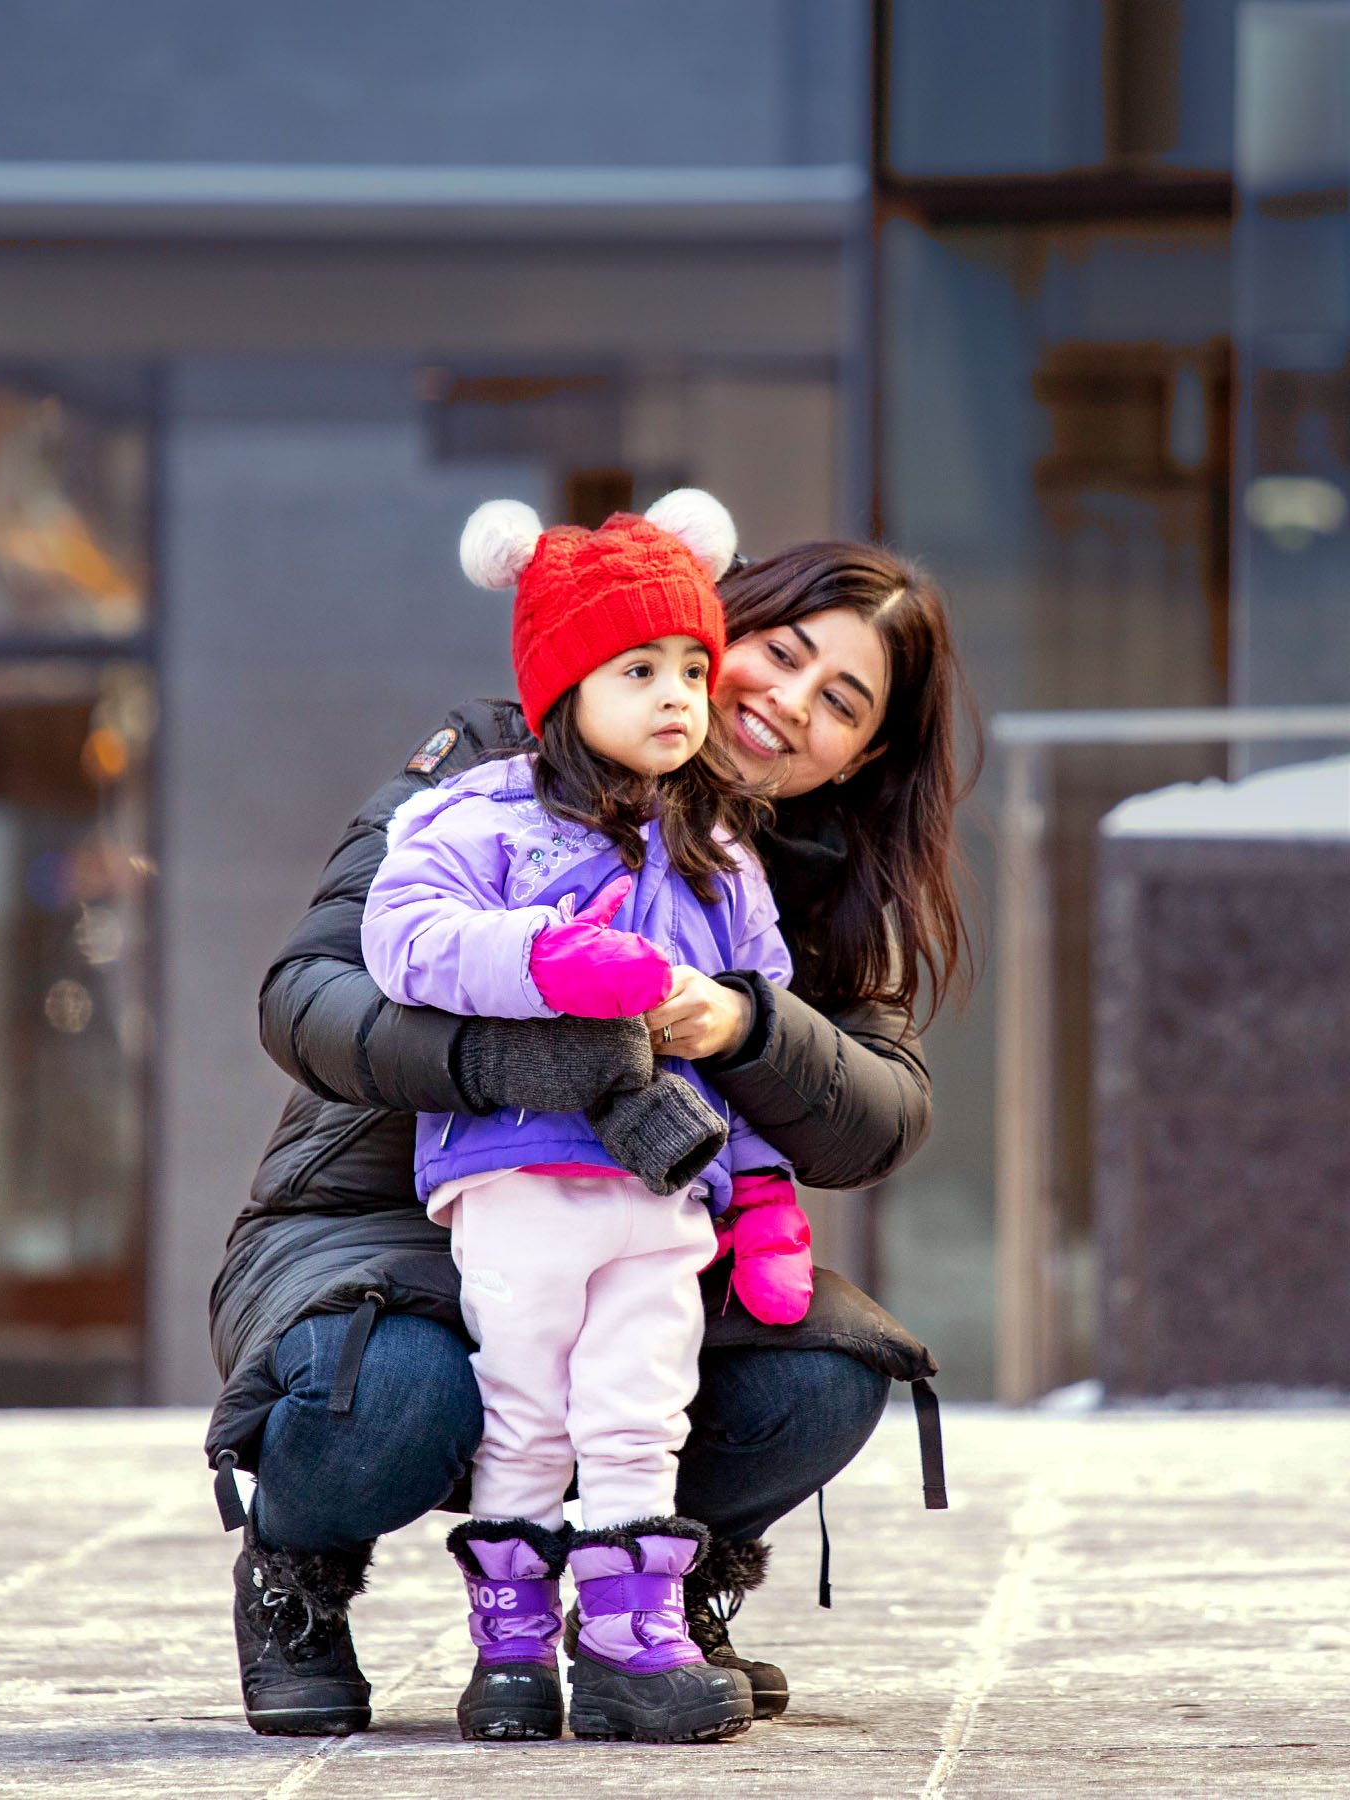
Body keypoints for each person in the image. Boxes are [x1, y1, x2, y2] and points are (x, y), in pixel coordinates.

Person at [207, 517, 977, 1739]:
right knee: (395, 1395)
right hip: (383, 1223)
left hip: (639, 1230)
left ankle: (653, 1599)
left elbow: (880, 1115)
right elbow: (311, 994)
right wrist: (518, 1051)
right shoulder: (498, 762)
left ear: (860, 757)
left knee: (828, 1371)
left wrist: (745, 1025)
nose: (784, 704)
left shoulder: (815, 880)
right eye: (776, 652)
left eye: (840, 701)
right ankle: (298, 1577)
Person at [359, 490, 814, 1744]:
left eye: (690, 667)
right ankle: (510, 1651)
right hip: (520, 1169)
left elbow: (757, 1008)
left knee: (638, 1401)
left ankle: (632, 1639)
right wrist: (552, 963)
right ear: (565, 686)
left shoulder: (718, 843)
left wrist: (765, 1190)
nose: (677, 694)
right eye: (639, 668)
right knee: (529, 1405)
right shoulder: (480, 814)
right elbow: (403, 942)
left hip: (666, 1183)